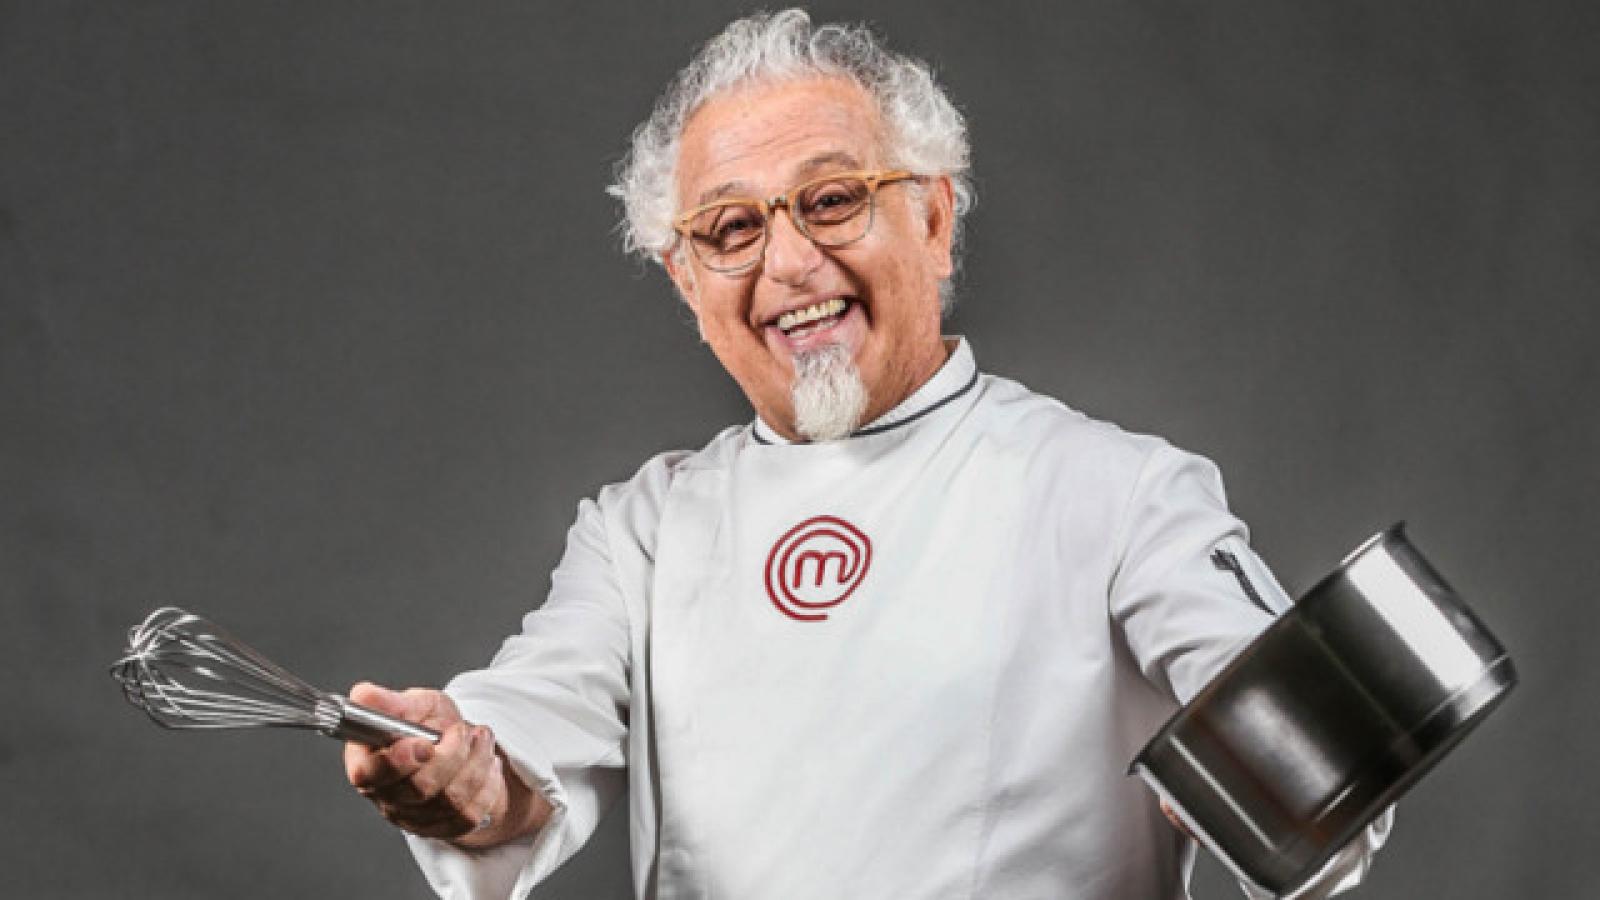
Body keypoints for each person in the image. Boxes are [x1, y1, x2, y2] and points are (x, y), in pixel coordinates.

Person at [344, 10, 1389, 899]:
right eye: (730, 228)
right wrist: (461, 769)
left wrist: (1284, 776)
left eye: (833, 200)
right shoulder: (644, 530)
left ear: (933, 218)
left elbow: (1317, 766)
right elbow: (530, 727)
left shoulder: (1115, 492)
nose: (791, 262)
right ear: (686, 283)